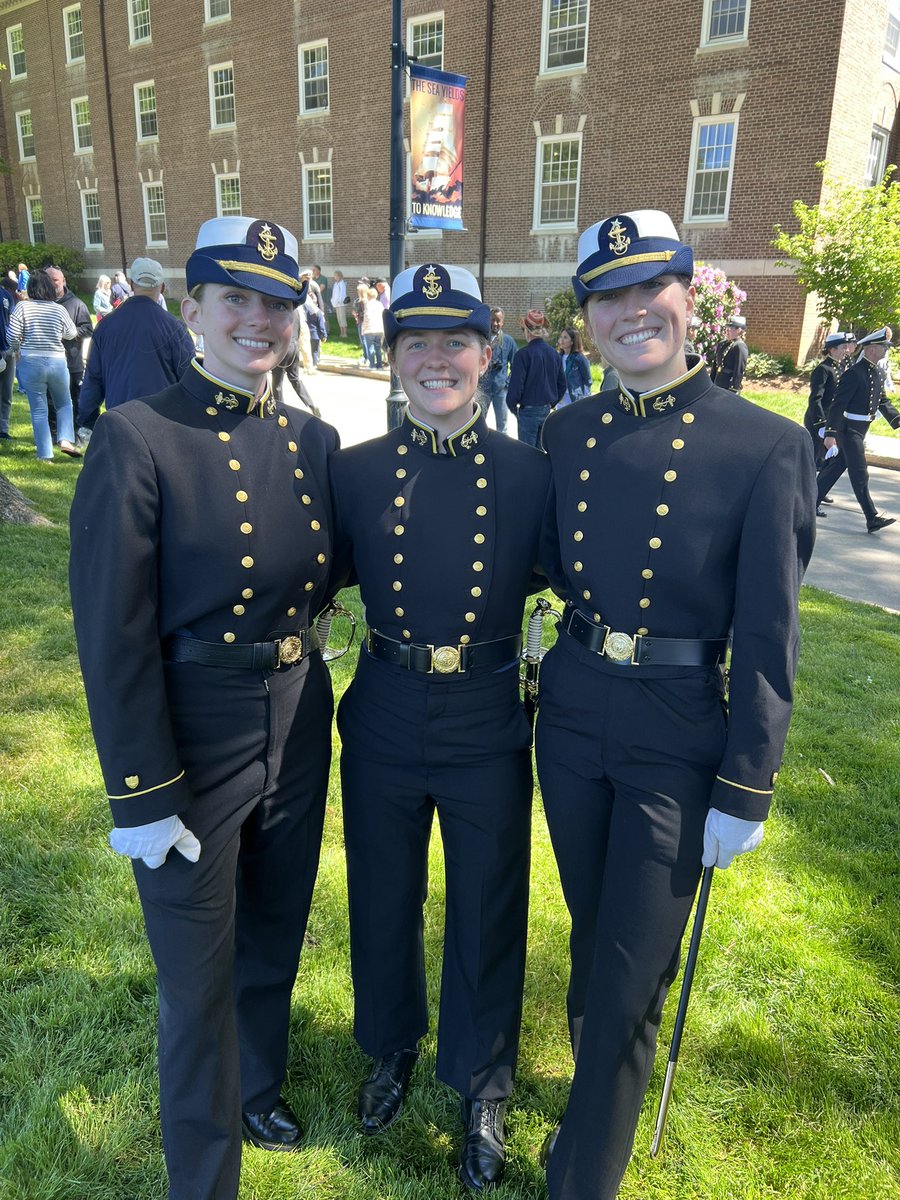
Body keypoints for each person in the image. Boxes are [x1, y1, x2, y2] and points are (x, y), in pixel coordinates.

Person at [536, 210, 816, 1200]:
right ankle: (595, 1093)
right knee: (590, 930)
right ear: (588, 320)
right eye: (605, 297)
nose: (628, 312)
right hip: (570, 718)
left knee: (625, 967)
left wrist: (748, 780)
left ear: (690, 297)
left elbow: (771, 635)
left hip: (680, 732)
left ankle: (584, 1172)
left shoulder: (763, 447)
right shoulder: (563, 432)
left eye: (646, 289)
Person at [69, 216, 339, 1200]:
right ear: (193, 310)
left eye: (276, 303)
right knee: (195, 976)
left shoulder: (311, 440)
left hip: (298, 717)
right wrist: (142, 792)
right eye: (237, 299)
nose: (258, 320)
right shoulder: (140, 436)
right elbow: (112, 634)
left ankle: (257, 1083)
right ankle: (205, 1174)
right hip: (191, 733)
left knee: (273, 928)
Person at [330, 263, 550, 1192]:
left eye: (454, 340)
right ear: (391, 358)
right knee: (382, 893)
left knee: (489, 906)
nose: (435, 359)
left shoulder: (531, 474)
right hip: (382, 702)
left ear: (486, 354)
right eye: (414, 341)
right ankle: (389, 1048)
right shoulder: (352, 472)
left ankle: (483, 1081)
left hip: (488, 711)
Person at [78, 257, 195, 437]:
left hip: (121, 421)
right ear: (162, 287)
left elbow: (93, 378)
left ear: (131, 284)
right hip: (163, 423)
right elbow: (189, 380)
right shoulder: (174, 327)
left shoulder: (106, 326)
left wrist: (87, 419)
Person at [816, 326, 899, 532]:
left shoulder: (878, 372)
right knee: (860, 472)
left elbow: (882, 402)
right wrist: (830, 433)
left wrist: (898, 420)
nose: (886, 350)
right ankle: (872, 517)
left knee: (835, 468)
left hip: (861, 429)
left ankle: (808, 502)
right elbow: (838, 405)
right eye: (883, 347)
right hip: (848, 430)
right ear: (871, 349)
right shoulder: (854, 374)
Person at [8, 268, 80, 461]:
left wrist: (17, 348)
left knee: (39, 410)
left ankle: (45, 454)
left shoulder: (23, 307)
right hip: (57, 360)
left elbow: (12, 335)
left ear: (30, 288)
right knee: (64, 403)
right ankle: (65, 440)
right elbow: (72, 333)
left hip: (30, 360)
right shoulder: (59, 309)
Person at [506, 309, 565, 447]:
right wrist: (552, 403)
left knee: (527, 454)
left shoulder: (523, 355)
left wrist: (513, 406)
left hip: (528, 411)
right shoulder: (554, 354)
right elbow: (562, 384)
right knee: (541, 452)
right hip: (545, 408)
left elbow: (516, 387)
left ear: (527, 331)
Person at [46, 266, 93, 437]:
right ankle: (53, 432)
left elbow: (88, 328)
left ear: (63, 280)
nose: (52, 284)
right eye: (48, 280)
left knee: (75, 399)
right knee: (50, 400)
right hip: (49, 362)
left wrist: (69, 335)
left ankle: (75, 431)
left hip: (72, 361)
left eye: (55, 280)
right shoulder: (42, 304)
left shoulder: (76, 304)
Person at [803, 331, 855, 467]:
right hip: (819, 420)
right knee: (815, 461)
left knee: (827, 461)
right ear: (832, 349)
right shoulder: (823, 369)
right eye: (844, 347)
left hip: (832, 420)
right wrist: (820, 424)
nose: (847, 350)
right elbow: (816, 399)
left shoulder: (841, 367)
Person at [478, 307, 516, 433]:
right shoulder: (482, 340)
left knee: (502, 424)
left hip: (501, 388)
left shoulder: (508, 341)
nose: (495, 323)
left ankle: (502, 449)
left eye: (498, 321)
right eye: (492, 320)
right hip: (484, 387)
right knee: (480, 421)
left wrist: (507, 383)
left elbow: (515, 365)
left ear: (502, 323)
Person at [709, 315, 749, 391]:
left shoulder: (740, 346)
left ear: (739, 330)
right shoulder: (722, 344)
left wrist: (734, 388)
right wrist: (711, 382)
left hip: (727, 385)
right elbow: (715, 366)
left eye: (731, 328)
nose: (727, 330)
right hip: (717, 382)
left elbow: (739, 370)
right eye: (727, 327)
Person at [557, 327, 592, 407]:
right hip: (561, 399)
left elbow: (587, 380)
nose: (561, 340)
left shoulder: (579, 358)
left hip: (575, 398)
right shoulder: (558, 357)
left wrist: (586, 399)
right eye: (561, 337)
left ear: (572, 341)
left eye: (565, 337)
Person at [0, 276, 16, 440]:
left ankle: (3, 428)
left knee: (7, 392)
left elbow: (12, 322)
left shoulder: (7, 296)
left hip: (8, 349)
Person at [360, 286, 385, 369]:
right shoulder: (380, 304)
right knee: (378, 348)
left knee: (371, 347)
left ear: (368, 295)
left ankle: (372, 365)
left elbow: (367, 317)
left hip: (370, 329)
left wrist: (363, 328)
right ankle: (379, 365)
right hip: (379, 328)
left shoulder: (368, 304)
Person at [330, 270, 350, 336]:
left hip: (341, 303)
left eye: (335, 275)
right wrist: (333, 301)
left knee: (342, 318)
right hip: (336, 303)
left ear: (339, 276)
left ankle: (345, 333)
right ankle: (341, 332)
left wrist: (339, 301)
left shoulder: (342, 283)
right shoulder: (336, 284)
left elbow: (342, 294)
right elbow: (334, 294)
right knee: (339, 318)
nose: (334, 277)